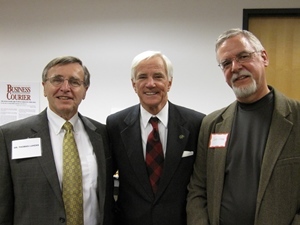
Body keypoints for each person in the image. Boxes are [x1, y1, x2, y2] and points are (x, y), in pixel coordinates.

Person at [186, 28, 300, 225]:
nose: (236, 67)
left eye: (243, 56)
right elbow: (197, 188)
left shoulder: (296, 117)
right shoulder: (212, 124)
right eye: (226, 63)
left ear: (264, 57)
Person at [0, 56, 114, 225]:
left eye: (75, 82)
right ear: (44, 87)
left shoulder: (103, 134)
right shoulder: (10, 136)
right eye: (57, 80)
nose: (65, 88)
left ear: (85, 90)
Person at [106, 50, 205, 225]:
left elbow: (202, 183)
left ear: (169, 82)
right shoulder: (115, 125)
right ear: (134, 84)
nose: (150, 84)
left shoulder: (196, 123)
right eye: (142, 77)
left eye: (158, 76)